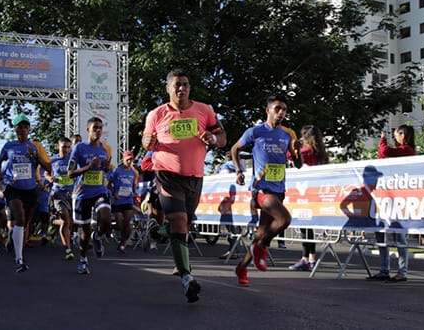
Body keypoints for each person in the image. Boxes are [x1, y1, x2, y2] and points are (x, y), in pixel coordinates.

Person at [142, 69, 226, 303]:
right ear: (168, 88)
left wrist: (213, 139)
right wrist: (148, 142)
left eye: (186, 84)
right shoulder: (156, 114)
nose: (182, 88)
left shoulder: (204, 110)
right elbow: (146, 140)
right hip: (167, 174)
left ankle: (158, 232)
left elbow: (221, 137)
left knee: (184, 224)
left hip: (194, 177)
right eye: (177, 84)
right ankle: (187, 278)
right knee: (179, 221)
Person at [231, 94, 302, 286]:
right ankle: (262, 249)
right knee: (284, 219)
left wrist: (298, 151)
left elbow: (298, 165)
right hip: (261, 189)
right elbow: (234, 149)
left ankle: (242, 266)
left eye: (284, 110)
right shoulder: (255, 132)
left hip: (279, 189)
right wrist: (239, 171)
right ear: (268, 110)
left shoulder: (288, 134)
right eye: (277, 108)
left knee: (261, 232)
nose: (281, 113)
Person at [0, 113, 51, 273]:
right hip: (13, 188)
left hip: (31, 189)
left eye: (26, 127)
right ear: (15, 129)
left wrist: (37, 156)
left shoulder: (34, 146)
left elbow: (47, 167)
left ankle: (13, 234)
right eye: (20, 126)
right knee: (19, 217)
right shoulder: (9, 146)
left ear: (29, 129)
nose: (23, 129)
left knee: (25, 223)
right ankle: (19, 258)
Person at [68, 117, 114, 275]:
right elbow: (70, 173)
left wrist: (106, 168)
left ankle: (98, 236)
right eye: (95, 128)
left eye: (100, 128)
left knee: (107, 218)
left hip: (100, 191)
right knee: (84, 231)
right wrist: (88, 167)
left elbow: (105, 170)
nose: (98, 130)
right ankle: (82, 259)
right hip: (82, 194)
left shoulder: (104, 149)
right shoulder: (79, 148)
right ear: (88, 130)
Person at [371, 125, 416, 282]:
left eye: (399, 134)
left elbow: (384, 152)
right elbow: (382, 158)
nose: (397, 136)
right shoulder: (398, 152)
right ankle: (384, 269)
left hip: (400, 200)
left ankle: (402, 272)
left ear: (404, 135)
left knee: (400, 238)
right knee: (381, 234)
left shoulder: (407, 151)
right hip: (386, 197)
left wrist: (383, 139)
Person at [289, 125, 329, 271]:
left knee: (304, 227)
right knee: (308, 226)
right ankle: (310, 258)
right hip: (316, 194)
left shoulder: (305, 151)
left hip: (304, 193)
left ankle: (306, 258)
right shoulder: (322, 153)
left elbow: (291, 157)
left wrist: (294, 146)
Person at [45, 137, 75, 260]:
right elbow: (46, 173)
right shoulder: (53, 160)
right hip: (57, 194)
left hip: (71, 194)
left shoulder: (73, 160)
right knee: (66, 220)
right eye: (64, 147)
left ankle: (53, 222)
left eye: (68, 147)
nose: (66, 149)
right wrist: (49, 178)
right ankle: (68, 249)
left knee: (69, 222)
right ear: (58, 146)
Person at [108, 151, 138, 254]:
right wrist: (113, 192)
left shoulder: (133, 172)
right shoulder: (117, 171)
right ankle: (109, 229)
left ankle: (122, 244)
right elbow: (108, 183)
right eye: (127, 159)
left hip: (128, 200)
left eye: (131, 159)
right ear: (123, 159)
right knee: (120, 222)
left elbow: (134, 185)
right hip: (118, 201)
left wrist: (134, 192)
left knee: (127, 224)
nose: (129, 161)